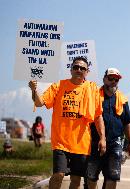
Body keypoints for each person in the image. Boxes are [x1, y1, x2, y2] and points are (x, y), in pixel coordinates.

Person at [28, 57, 106, 189]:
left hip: (81, 143)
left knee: (76, 179)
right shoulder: (58, 86)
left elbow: (98, 116)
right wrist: (34, 90)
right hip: (60, 141)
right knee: (58, 174)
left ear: (87, 72)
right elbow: (39, 103)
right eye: (76, 67)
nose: (79, 70)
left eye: (82, 68)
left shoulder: (92, 90)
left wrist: (102, 138)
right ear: (71, 69)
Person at [87, 68, 130, 189]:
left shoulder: (122, 99)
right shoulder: (94, 96)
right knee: (91, 176)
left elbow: (127, 122)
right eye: (110, 78)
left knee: (113, 176)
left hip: (116, 142)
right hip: (94, 141)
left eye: (116, 80)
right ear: (104, 79)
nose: (113, 81)